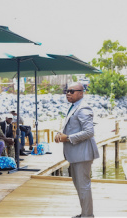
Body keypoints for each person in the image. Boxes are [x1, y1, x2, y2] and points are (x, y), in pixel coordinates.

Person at [55, 82, 99, 218]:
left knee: (83, 186)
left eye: (72, 91)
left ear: (81, 92)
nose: (68, 93)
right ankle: (85, 213)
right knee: (80, 186)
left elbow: (89, 132)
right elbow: (74, 128)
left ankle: (88, 215)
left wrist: (67, 138)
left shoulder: (83, 108)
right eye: (66, 91)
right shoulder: (74, 107)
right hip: (76, 153)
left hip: (83, 154)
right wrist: (61, 134)